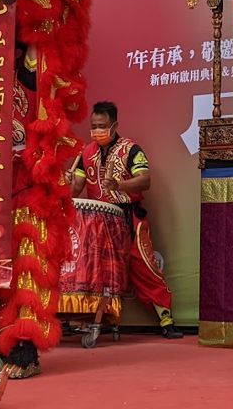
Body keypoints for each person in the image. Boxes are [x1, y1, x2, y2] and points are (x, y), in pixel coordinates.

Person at [72, 101, 183, 339]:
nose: (97, 130)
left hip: (127, 216)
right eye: (93, 126)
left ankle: (166, 319)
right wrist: (64, 181)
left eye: (102, 125)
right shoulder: (86, 153)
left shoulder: (131, 149)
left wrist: (119, 184)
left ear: (114, 125)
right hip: (97, 222)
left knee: (142, 265)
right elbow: (77, 187)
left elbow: (145, 180)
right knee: (94, 270)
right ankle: (93, 319)